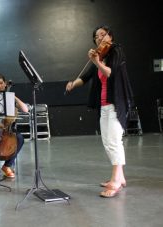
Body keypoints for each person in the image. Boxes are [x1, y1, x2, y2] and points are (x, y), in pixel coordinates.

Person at [65, 25, 134, 198]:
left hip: (117, 103)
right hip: (103, 105)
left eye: (103, 35)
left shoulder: (116, 52)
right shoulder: (100, 55)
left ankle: (116, 181)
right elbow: (86, 76)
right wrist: (73, 84)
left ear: (110, 36)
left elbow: (111, 73)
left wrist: (96, 61)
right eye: (97, 36)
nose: (100, 38)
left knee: (113, 142)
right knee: (108, 141)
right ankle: (121, 177)